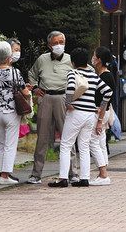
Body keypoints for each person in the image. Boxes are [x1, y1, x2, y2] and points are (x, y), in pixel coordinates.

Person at [48, 48, 113, 187]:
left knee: (66, 145)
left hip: (76, 113)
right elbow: (108, 91)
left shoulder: (73, 72)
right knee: (84, 146)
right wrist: (101, 106)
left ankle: (63, 178)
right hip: (90, 115)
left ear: (72, 62)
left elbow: (71, 86)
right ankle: (84, 178)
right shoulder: (93, 74)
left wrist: (68, 103)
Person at [27, 31, 76, 185]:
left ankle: (72, 173)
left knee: (67, 136)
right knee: (42, 138)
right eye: (55, 43)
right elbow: (31, 74)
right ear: (49, 45)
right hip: (46, 97)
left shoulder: (71, 59)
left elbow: (82, 75)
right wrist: (35, 88)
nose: (58, 45)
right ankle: (36, 174)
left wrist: (74, 96)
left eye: (61, 42)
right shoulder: (42, 59)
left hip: (64, 98)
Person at [0, 41, 32, 185]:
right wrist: (28, 90)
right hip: (11, 111)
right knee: (10, 144)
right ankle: (5, 175)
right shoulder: (14, 72)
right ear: (8, 55)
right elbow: (24, 92)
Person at [88, 46, 115, 186]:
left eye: (94, 56)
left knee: (93, 141)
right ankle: (103, 172)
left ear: (98, 60)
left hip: (100, 112)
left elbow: (105, 100)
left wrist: (99, 120)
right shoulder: (104, 75)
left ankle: (103, 173)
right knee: (101, 141)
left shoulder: (105, 76)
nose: (92, 58)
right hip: (102, 112)